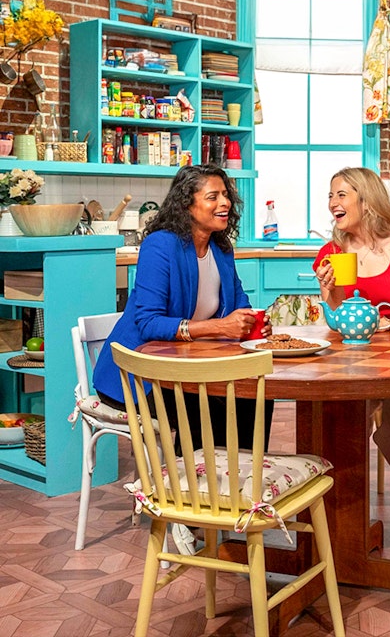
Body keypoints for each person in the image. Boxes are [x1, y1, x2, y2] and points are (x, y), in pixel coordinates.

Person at [91, 165, 264, 557]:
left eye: (226, 196)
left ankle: (229, 499)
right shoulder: (162, 245)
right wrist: (217, 327)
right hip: (138, 376)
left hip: (191, 368)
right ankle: (184, 510)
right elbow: (148, 321)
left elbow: (238, 304)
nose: (224, 203)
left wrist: (249, 320)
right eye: (213, 197)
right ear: (187, 205)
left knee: (253, 398)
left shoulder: (221, 248)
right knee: (202, 404)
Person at [312, 167, 390, 548]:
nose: (333, 203)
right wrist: (328, 292)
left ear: (366, 200)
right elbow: (336, 321)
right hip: (355, 359)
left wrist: (387, 319)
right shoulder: (333, 253)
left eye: (341, 195)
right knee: (336, 421)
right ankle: (337, 515)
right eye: (331, 196)